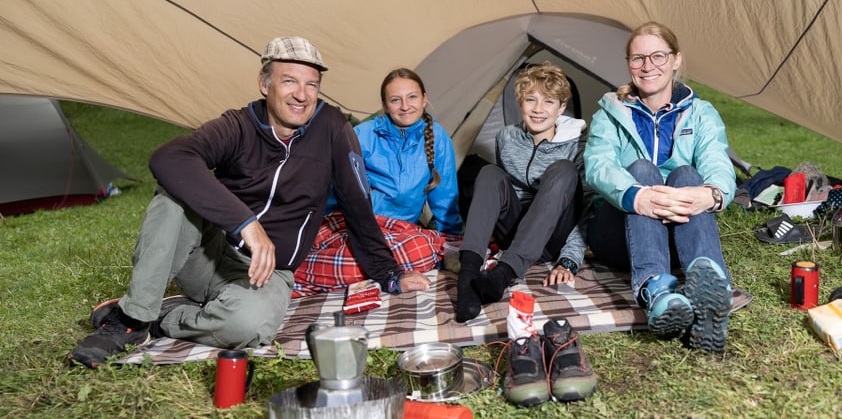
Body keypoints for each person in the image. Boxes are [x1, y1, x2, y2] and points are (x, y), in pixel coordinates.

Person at [67, 36, 429, 368]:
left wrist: (391, 275)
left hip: (266, 274)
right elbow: (168, 159)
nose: (301, 95)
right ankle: (130, 321)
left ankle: (162, 319)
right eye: (289, 81)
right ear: (265, 84)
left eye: (311, 85)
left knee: (251, 327)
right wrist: (245, 223)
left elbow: (357, 206)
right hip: (209, 256)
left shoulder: (333, 130)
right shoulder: (238, 126)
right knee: (172, 198)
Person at [584, 21, 736, 353]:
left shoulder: (701, 114)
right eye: (638, 58)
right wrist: (638, 195)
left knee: (686, 174)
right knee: (641, 169)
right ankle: (655, 289)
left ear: (676, 59)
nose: (647, 66)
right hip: (618, 233)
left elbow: (717, 162)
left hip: (676, 231)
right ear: (628, 64)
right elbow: (598, 167)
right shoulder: (610, 112)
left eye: (658, 56)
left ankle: (710, 289)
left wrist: (709, 194)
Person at [292, 68, 462, 295]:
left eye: (412, 97)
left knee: (420, 248)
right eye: (395, 100)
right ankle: (298, 271)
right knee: (352, 256)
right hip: (355, 224)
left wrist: (452, 246)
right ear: (385, 105)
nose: (405, 106)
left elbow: (446, 200)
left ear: (424, 99)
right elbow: (332, 191)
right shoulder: (362, 135)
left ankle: (328, 271)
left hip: (401, 233)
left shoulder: (437, 138)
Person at [455, 62, 588, 324]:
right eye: (531, 100)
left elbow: (586, 208)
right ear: (520, 103)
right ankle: (467, 278)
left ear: (561, 108)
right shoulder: (506, 137)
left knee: (564, 170)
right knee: (489, 173)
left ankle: (503, 275)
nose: (538, 109)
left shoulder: (578, 147)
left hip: (550, 239)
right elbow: (503, 194)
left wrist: (569, 260)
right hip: (514, 236)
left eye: (549, 101)